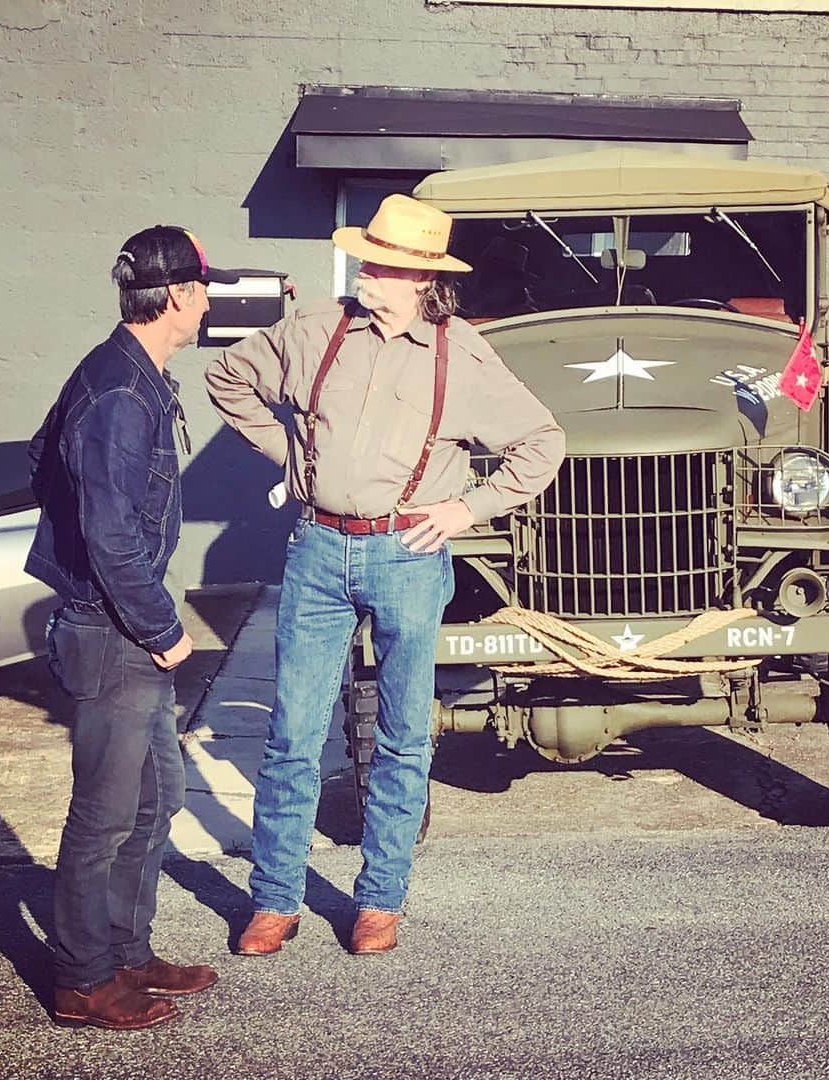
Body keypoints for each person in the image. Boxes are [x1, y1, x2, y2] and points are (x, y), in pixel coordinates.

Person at [205, 194, 565, 956]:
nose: (367, 273)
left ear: (421, 280)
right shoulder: (319, 331)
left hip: (408, 555)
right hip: (317, 551)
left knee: (404, 737)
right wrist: (293, 459)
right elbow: (230, 379)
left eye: (384, 265)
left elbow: (541, 443)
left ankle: (379, 901)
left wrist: (470, 509)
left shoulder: (459, 353)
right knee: (293, 736)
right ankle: (274, 900)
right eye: (367, 260)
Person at [25, 226, 237, 1030]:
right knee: (107, 814)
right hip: (114, 629)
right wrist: (161, 626)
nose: (210, 301)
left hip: (125, 621)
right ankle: (82, 979)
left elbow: (44, 457)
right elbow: (110, 531)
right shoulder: (118, 390)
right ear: (179, 296)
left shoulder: (133, 373)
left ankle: (125, 950)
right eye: (205, 288)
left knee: (156, 799)